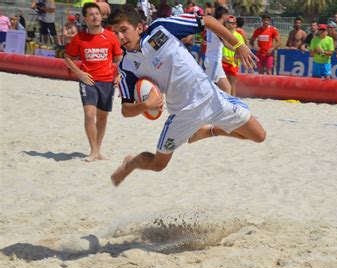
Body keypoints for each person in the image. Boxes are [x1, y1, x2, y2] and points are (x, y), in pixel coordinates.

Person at [107, 5, 265, 186]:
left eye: (123, 30)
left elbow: (207, 20)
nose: (120, 37)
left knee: (259, 136)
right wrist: (145, 105)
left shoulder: (161, 29)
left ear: (139, 28)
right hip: (181, 114)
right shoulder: (126, 66)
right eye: (115, 33)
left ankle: (205, 132)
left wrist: (238, 45)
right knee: (158, 165)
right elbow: (126, 110)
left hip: (212, 99)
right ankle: (132, 163)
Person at [64, 2, 122, 162]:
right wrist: (79, 73)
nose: (95, 17)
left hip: (107, 81)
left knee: (103, 118)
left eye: (97, 14)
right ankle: (93, 151)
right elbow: (67, 57)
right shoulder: (79, 38)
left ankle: (98, 149)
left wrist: (120, 75)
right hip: (88, 81)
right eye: (91, 14)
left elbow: (120, 59)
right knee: (90, 115)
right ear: (85, 19)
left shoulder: (110, 36)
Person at [205, 6, 231, 94]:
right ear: (223, 15)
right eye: (227, 15)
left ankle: (225, 107)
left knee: (227, 87)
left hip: (212, 59)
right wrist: (238, 50)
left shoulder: (210, 25)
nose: (227, 18)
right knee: (209, 88)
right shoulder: (218, 27)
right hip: (214, 61)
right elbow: (226, 43)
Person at [222, 15, 244, 96]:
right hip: (222, 60)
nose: (230, 24)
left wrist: (236, 59)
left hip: (233, 62)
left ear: (235, 24)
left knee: (232, 85)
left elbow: (241, 49)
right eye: (228, 22)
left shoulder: (238, 36)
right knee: (223, 84)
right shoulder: (222, 34)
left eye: (232, 23)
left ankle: (233, 102)